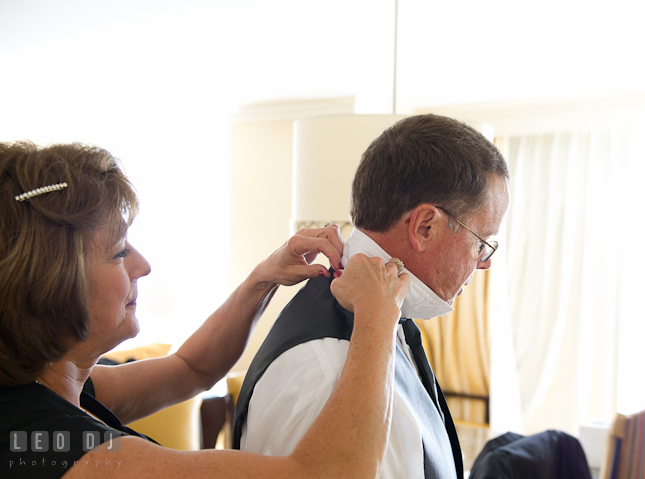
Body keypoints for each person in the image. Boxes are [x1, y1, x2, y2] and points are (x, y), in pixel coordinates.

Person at [0, 141, 411, 479]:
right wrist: (378, 316)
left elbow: (190, 368)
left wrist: (262, 278)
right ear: (51, 285)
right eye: (118, 251)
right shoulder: (65, 452)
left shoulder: (51, 389)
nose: (143, 265)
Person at [233, 114, 511, 479]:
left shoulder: (384, 316)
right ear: (424, 227)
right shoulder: (327, 369)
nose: (484, 264)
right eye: (482, 244)